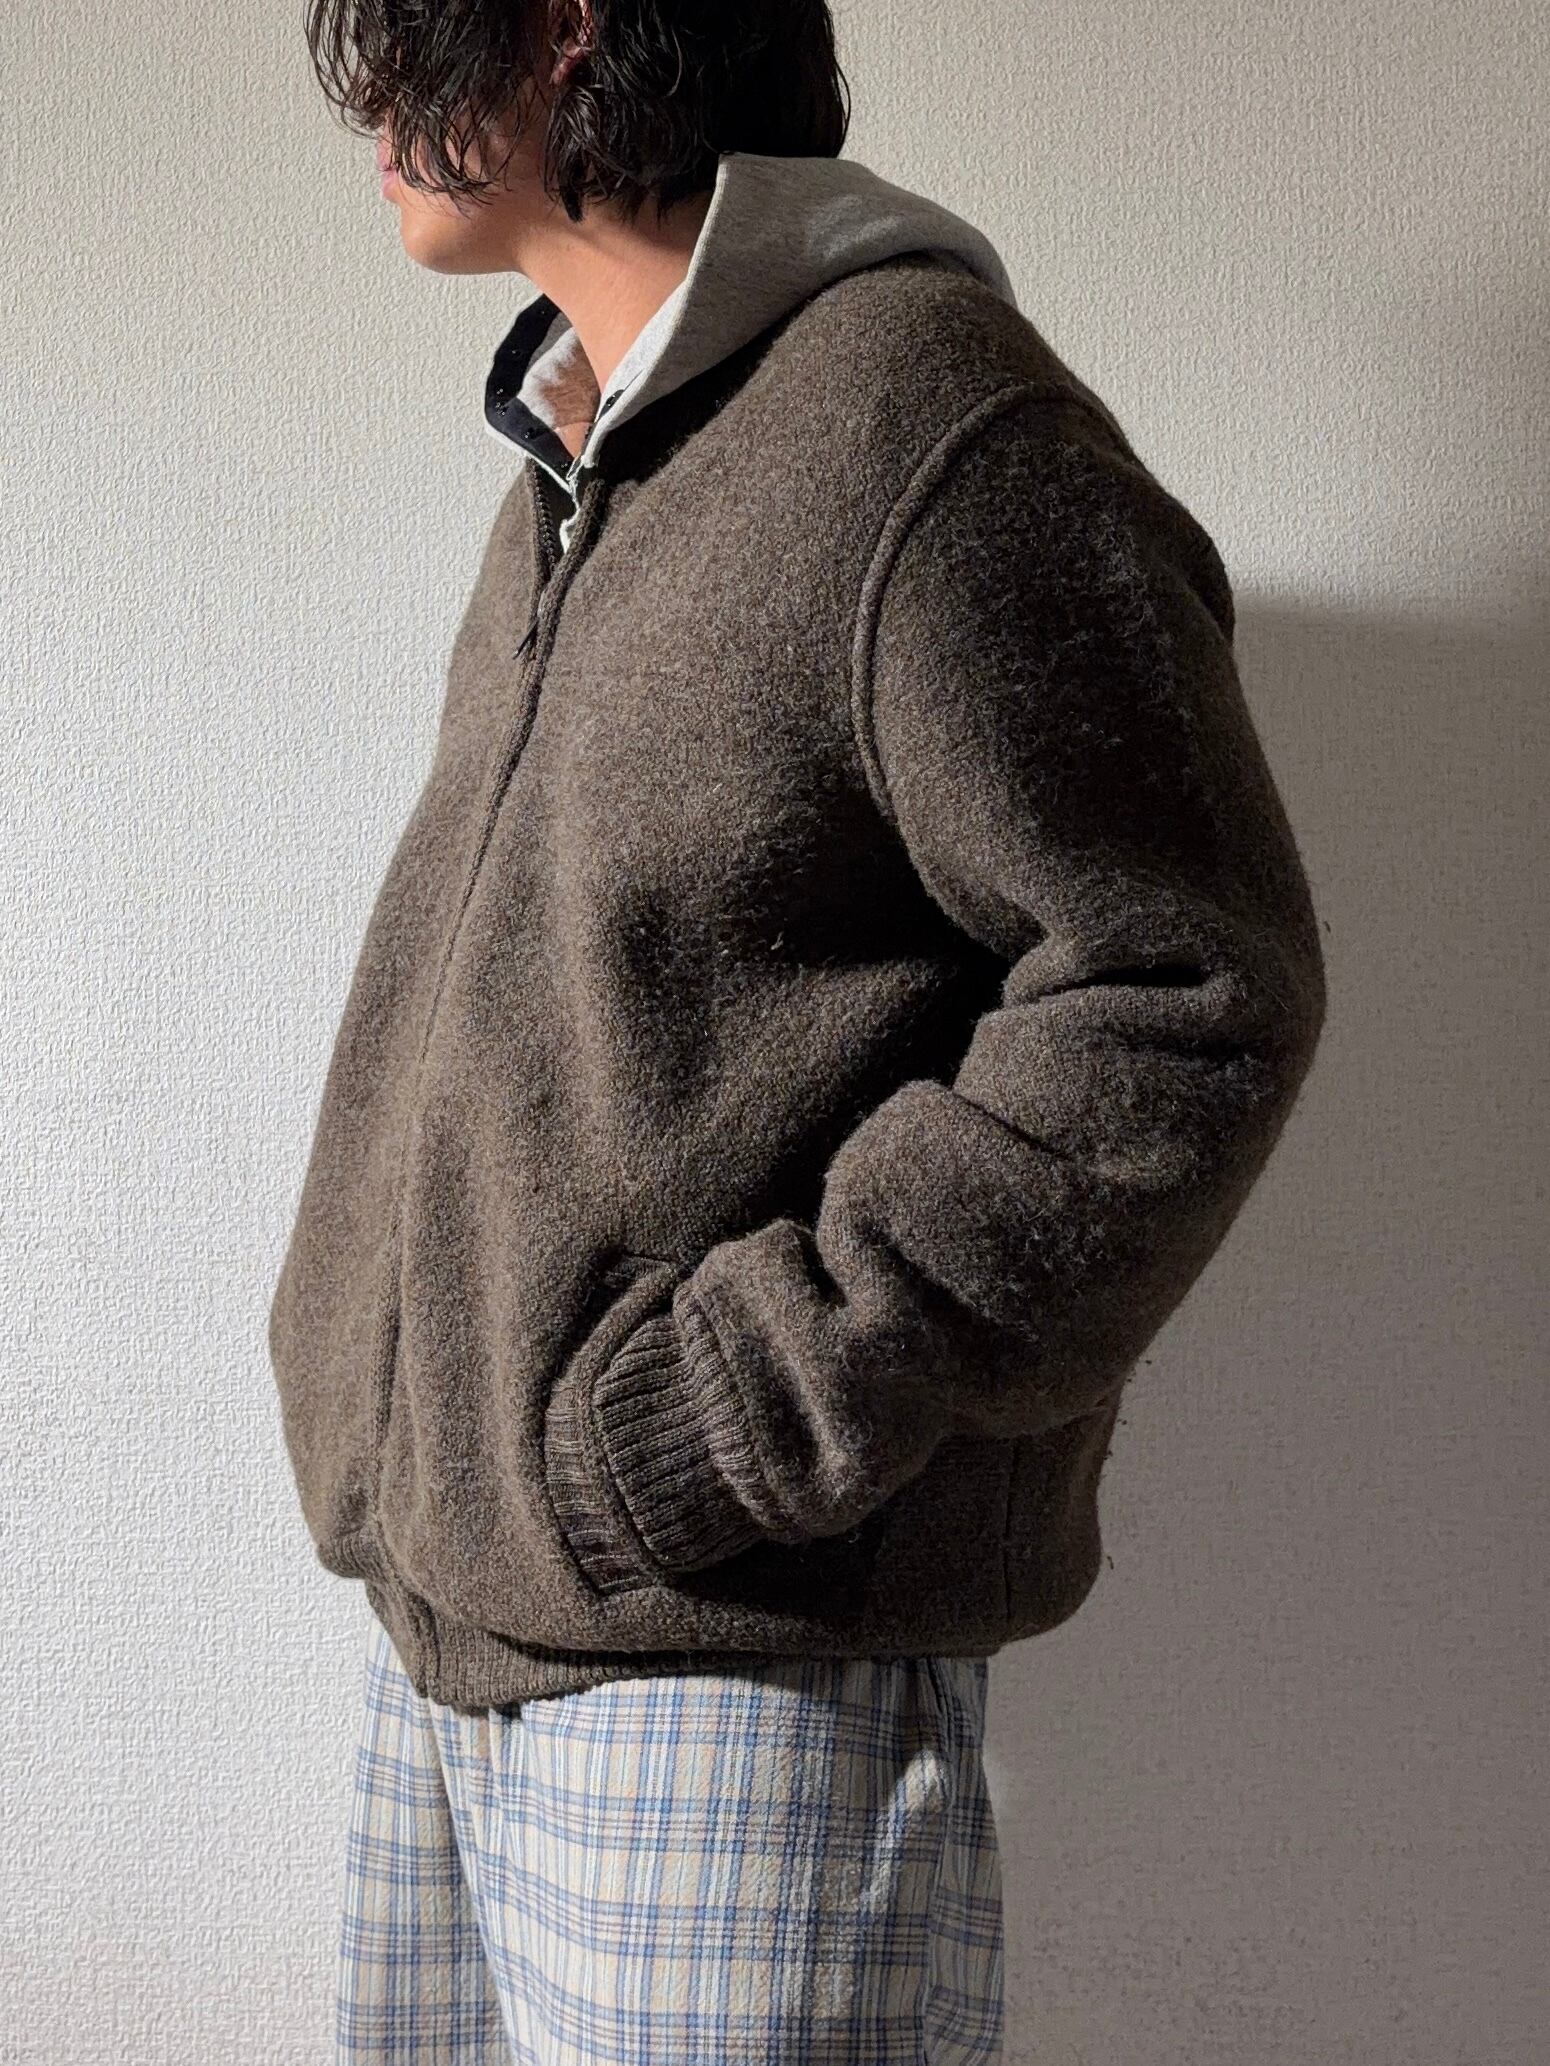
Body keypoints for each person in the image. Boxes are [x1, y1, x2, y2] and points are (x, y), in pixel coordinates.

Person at [274, 2, 1327, 2058]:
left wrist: (716, 1423)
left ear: (567, 27)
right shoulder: (583, 452)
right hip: (445, 1635)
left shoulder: (926, 423)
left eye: (403, 31)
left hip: (723, 1671)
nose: (369, 108)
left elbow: (1182, 996)